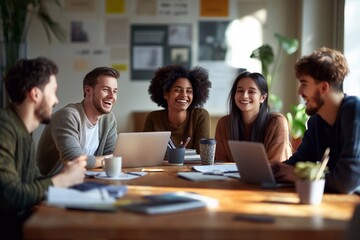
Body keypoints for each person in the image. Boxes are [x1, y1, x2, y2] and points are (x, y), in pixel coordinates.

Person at [0, 57, 86, 239]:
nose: (56, 100)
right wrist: (62, 180)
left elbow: (33, 182)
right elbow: (10, 196)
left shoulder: (22, 130)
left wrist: (65, 176)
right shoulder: (4, 128)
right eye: (53, 91)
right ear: (35, 94)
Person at [274, 47, 360, 194]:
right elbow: (301, 160)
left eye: (304, 83)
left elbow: (347, 180)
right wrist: (273, 170)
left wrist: (298, 176)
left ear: (323, 88)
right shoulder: (317, 120)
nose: (300, 91)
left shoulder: (354, 111)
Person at [36, 66, 120, 176]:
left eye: (115, 91)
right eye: (105, 90)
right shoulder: (67, 116)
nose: (111, 96)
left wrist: (111, 158)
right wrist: (110, 158)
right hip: (53, 184)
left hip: (86, 178)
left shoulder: (108, 119)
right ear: (88, 90)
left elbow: (112, 154)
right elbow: (74, 160)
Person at [215, 71, 292, 163]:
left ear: (262, 98)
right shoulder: (224, 123)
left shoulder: (277, 122)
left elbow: (275, 164)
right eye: (240, 90)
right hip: (231, 177)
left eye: (251, 91)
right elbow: (221, 163)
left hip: (268, 177)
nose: (244, 96)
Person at [143, 64, 212, 152]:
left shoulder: (200, 115)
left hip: (192, 166)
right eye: (177, 90)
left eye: (189, 91)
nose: (184, 95)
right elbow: (148, 153)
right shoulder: (153, 118)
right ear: (165, 94)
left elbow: (202, 154)